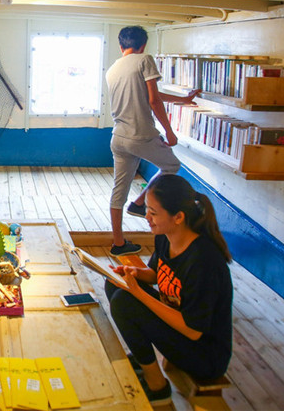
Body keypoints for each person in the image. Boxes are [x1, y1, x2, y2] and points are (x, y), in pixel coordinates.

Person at [105, 174, 233, 405]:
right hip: (180, 329)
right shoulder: (166, 237)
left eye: (153, 213)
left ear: (178, 217)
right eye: (148, 210)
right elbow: (156, 274)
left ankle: (158, 386)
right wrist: (132, 274)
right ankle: (142, 360)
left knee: (126, 302)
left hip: (204, 354)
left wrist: (139, 294)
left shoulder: (204, 261)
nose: (147, 217)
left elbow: (193, 330)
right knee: (115, 285)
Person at [105, 25, 199, 256]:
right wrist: (169, 131)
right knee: (171, 166)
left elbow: (147, 94)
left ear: (121, 45)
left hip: (118, 137)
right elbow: (153, 100)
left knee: (119, 189)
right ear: (143, 45)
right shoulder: (144, 60)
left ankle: (118, 243)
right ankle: (139, 203)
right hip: (141, 135)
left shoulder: (114, 69)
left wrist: (182, 99)